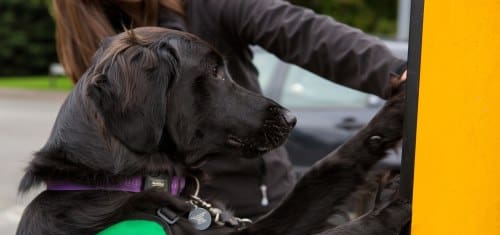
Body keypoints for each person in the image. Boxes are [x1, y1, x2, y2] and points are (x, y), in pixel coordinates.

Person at [51, 0, 407, 218]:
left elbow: (300, 31)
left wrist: (393, 72)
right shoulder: (99, 53)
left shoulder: (208, 5)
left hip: (262, 200)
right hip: (172, 215)